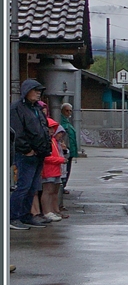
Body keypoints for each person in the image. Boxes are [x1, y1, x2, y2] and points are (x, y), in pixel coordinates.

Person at [10, 79, 52, 228]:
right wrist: (27, 150)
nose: (38, 93)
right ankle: (12, 217)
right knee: (23, 186)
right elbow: (17, 132)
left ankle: (26, 215)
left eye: (40, 90)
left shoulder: (37, 109)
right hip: (26, 155)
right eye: (35, 90)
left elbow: (43, 129)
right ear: (26, 91)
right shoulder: (16, 109)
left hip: (39, 154)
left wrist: (44, 149)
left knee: (33, 188)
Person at [36, 118, 67, 222]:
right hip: (49, 170)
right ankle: (47, 211)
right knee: (48, 191)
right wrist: (60, 160)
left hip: (55, 169)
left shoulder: (52, 141)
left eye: (54, 128)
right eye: (50, 128)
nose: (53, 131)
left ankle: (53, 211)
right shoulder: (47, 141)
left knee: (53, 191)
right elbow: (46, 157)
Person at [57, 102, 79, 198]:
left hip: (69, 150)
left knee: (67, 169)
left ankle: (63, 186)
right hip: (64, 150)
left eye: (70, 111)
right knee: (64, 169)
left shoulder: (67, 122)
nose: (69, 112)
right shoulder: (62, 121)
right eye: (67, 110)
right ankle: (61, 186)